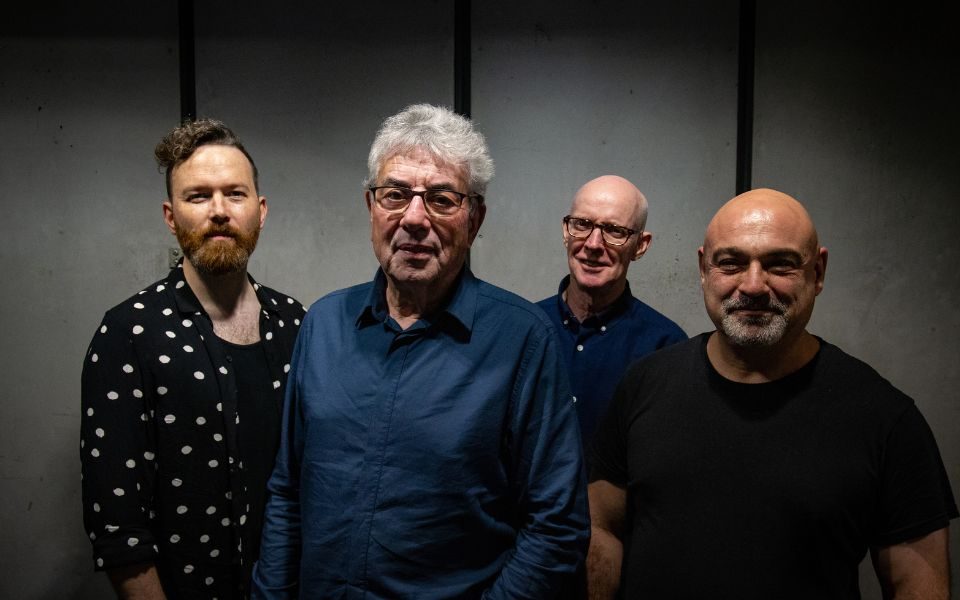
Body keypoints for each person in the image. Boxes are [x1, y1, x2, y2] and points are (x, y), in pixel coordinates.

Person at [252, 104, 589, 599]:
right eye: (395, 194)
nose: (414, 218)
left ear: (474, 220)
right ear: (371, 207)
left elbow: (556, 529)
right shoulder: (323, 324)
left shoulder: (523, 341)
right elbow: (287, 492)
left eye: (441, 199)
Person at [588, 188, 957, 599]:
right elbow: (603, 529)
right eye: (731, 263)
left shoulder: (886, 419)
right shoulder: (643, 385)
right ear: (703, 268)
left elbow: (918, 584)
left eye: (780, 264)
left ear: (818, 272)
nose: (753, 285)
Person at [81, 119, 306, 599]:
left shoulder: (298, 323)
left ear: (260, 211)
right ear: (170, 215)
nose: (220, 211)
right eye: (198, 196)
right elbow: (118, 524)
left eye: (235, 194)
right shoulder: (129, 333)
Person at [537, 175, 686, 446]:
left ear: (640, 246)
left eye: (614, 231)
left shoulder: (666, 347)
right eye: (582, 224)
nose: (593, 244)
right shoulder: (527, 328)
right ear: (565, 231)